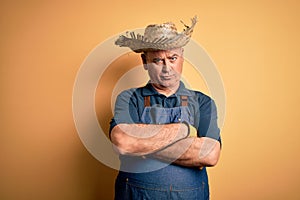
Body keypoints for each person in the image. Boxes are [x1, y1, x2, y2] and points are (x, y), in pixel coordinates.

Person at [109, 16, 221, 200]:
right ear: (144, 61)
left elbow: (209, 154)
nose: (167, 68)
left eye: (173, 58)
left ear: (182, 57)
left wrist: (142, 145)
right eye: (158, 60)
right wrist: (182, 131)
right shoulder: (130, 99)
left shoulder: (202, 102)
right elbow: (123, 142)